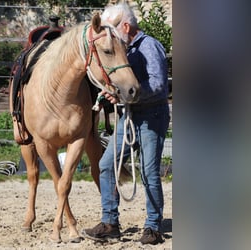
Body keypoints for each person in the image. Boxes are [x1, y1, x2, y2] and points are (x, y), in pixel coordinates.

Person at [81, 3, 170, 245]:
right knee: (106, 164)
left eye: (113, 28)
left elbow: (160, 84)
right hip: (128, 116)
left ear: (126, 26)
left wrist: (130, 96)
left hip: (151, 115)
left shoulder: (149, 46)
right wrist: (114, 94)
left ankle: (153, 226)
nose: (110, 34)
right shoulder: (125, 49)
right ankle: (110, 222)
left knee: (149, 171)